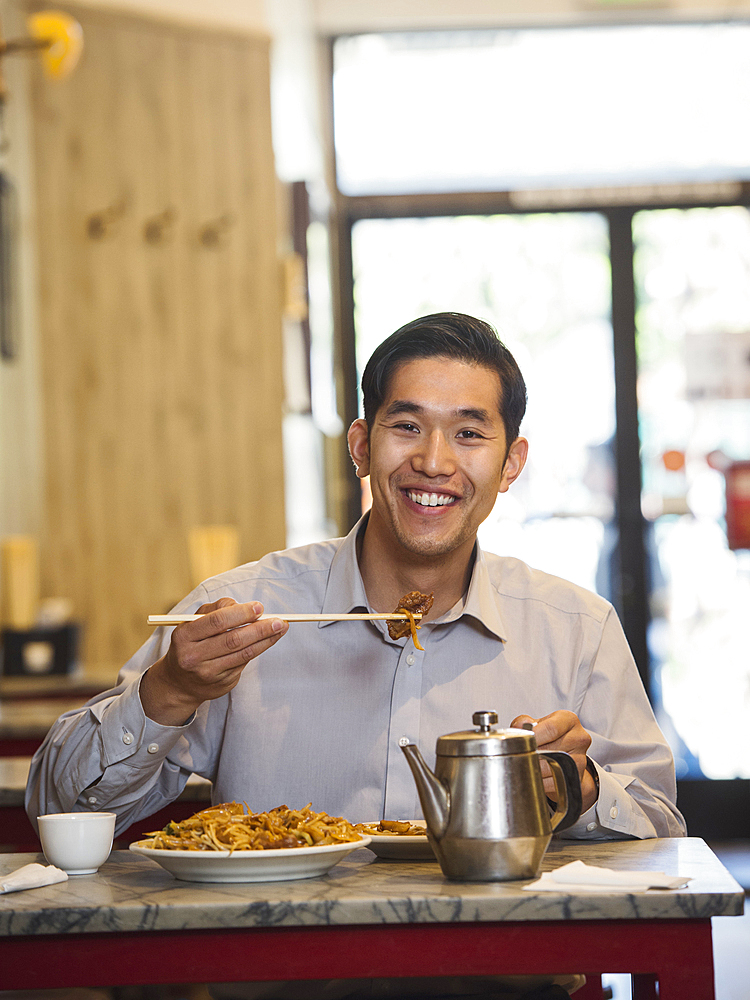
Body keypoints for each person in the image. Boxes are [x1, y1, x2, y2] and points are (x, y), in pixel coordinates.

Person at [26, 312, 685, 999]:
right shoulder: (239, 608)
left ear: (511, 461)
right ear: (362, 445)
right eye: (406, 427)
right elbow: (57, 808)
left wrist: (579, 793)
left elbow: (664, 834)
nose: (434, 461)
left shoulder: (573, 627)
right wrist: (166, 693)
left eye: (469, 432)